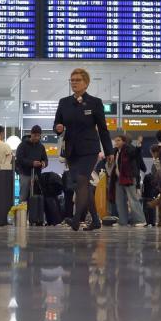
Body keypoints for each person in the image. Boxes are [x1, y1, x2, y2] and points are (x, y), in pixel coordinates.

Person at [53, 68, 113, 232]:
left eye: (78, 80)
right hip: (71, 150)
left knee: (81, 181)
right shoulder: (64, 102)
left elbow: (103, 129)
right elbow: (57, 124)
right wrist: (58, 128)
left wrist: (109, 152)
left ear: (86, 83)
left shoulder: (95, 102)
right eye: (72, 80)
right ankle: (95, 220)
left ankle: (76, 219)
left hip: (89, 149)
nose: (74, 83)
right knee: (83, 185)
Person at [111, 134, 147, 227]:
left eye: (118, 140)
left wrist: (139, 145)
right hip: (119, 178)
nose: (116, 142)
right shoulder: (116, 151)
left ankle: (141, 220)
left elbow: (135, 153)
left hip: (129, 177)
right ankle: (123, 221)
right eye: (115, 140)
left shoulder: (128, 149)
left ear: (123, 141)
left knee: (132, 199)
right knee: (119, 200)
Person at [16, 125, 48, 202]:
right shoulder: (22, 145)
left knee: (36, 196)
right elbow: (20, 159)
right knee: (23, 195)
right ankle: (22, 213)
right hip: (25, 174)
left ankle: (34, 213)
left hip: (37, 175)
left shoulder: (41, 147)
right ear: (31, 134)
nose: (36, 138)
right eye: (35, 135)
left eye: (38, 136)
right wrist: (32, 163)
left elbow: (45, 159)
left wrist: (44, 163)